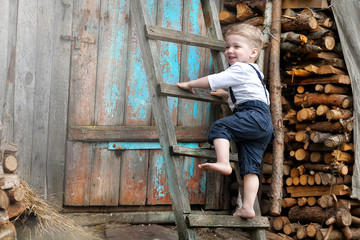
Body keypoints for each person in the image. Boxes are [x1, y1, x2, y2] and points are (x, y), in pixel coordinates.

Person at [176, 23, 273, 219]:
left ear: (253, 52)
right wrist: (226, 95)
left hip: (252, 115)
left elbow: (214, 79)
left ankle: (223, 162)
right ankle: (247, 207)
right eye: (228, 46)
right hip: (264, 123)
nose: (230, 51)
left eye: (237, 47)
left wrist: (190, 83)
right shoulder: (256, 73)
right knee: (251, 167)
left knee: (221, 126)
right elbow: (246, 94)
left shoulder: (240, 68)